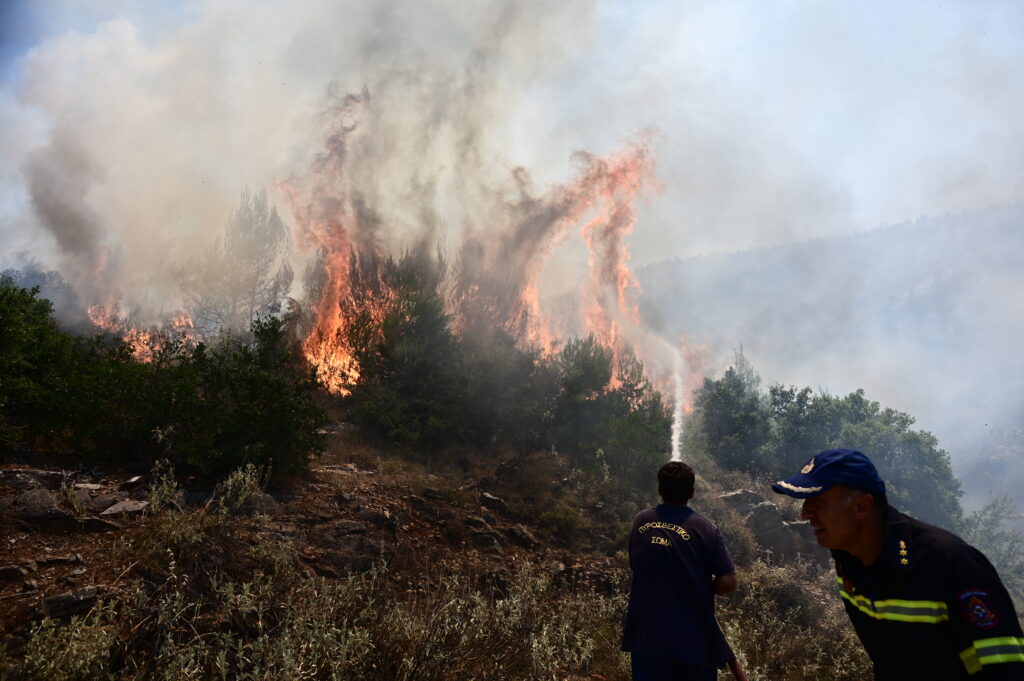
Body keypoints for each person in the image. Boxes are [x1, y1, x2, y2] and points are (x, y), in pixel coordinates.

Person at [772, 448, 1024, 680]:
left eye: (817, 502)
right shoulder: (847, 559)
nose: (805, 513)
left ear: (862, 506)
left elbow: (1006, 669)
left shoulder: (950, 564)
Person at [622, 461, 746, 681]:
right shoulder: (706, 528)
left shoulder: (641, 521)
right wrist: (699, 585)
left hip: (647, 640)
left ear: (660, 490)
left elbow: (638, 565)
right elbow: (728, 582)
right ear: (691, 492)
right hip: (694, 645)